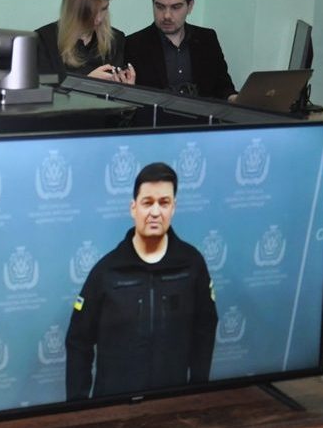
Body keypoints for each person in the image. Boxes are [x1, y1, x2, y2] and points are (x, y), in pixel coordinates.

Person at [64, 162, 218, 401]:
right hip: (114, 406)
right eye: (147, 202)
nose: (155, 212)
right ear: (133, 208)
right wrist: (79, 407)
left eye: (164, 203)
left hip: (172, 404)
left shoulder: (192, 265)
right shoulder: (106, 272)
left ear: (173, 208)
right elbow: (78, 342)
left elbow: (205, 328)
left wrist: (197, 392)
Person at [124, 0, 237, 100]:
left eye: (176, 7)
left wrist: (236, 99)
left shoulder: (207, 39)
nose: (166, 15)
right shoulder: (134, 44)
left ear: (190, 6)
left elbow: (224, 88)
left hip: (202, 114)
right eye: (160, 7)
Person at [36, 0, 135, 84]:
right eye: (91, 12)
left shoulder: (116, 40)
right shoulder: (43, 40)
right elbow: (40, 89)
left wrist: (127, 89)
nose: (98, 19)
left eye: (104, 9)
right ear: (74, 9)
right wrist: (85, 82)